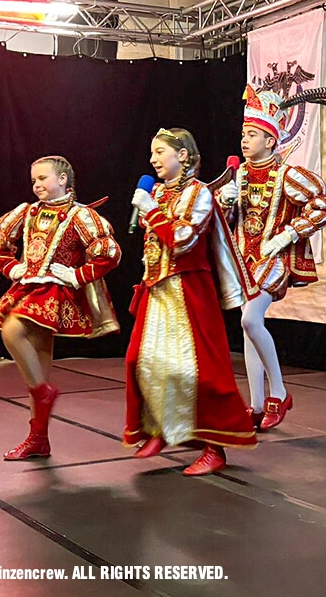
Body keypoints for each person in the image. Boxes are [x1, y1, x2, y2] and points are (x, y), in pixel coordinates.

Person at [124, 127, 257, 475]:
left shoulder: (199, 194)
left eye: (159, 152)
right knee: (142, 361)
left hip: (189, 290)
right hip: (157, 290)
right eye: (151, 153)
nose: (152, 159)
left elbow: (183, 239)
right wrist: (151, 207)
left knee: (200, 371)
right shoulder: (157, 192)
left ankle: (215, 447)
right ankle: (160, 428)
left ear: (182, 155)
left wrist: (152, 211)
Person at [216, 85, 326, 431]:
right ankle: (255, 405)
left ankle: (279, 393)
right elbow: (227, 223)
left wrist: (289, 233)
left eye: (252, 134)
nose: (244, 140)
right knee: (249, 328)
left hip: (273, 258)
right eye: (243, 134)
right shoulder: (237, 175)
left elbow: (324, 205)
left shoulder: (288, 175)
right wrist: (225, 202)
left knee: (250, 321)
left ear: (270, 140)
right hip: (244, 260)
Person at [0, 155, 122, 460]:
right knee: (37, 363)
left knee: (12, 330)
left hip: (55, 292)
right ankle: (39, 437)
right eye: (33, 180)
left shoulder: (79, 215)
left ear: (62, 179)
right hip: (28, 287)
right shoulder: (29, 212)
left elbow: (109, 252)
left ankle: (42, 393)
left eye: (42, 178)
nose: (36, 185)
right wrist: (11, 267)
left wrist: (77, 275)